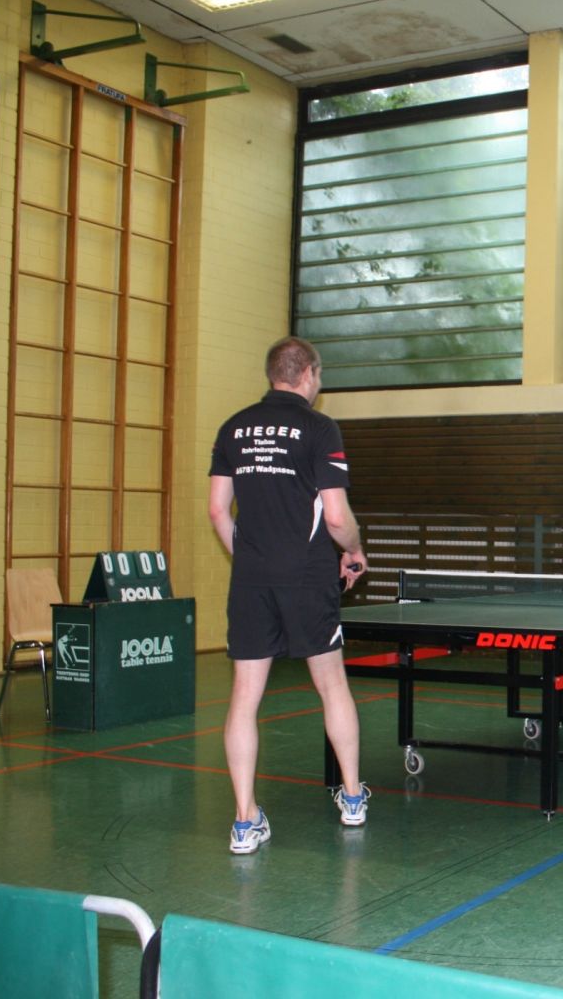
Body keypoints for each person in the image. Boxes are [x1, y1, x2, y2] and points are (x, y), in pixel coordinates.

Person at [208, 336, 370, 854]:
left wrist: (249, 557)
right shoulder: (320, 429)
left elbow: (217, 510)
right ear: (308, 374)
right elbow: (337, 517)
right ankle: (351, 798)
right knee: (332, 685)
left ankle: (244, 820)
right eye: (319, 375)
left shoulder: (233, 427)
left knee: (244, 696)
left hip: (251, 578)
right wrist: (354, 550)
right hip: (307, 575)